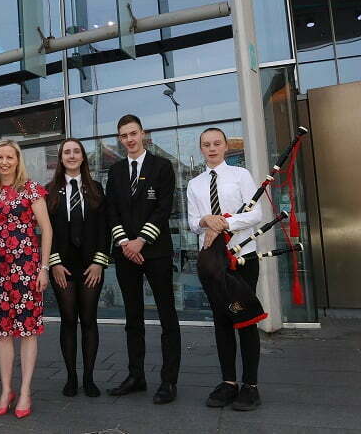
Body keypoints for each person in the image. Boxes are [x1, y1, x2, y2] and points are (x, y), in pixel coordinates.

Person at [186, 127, 264, 411]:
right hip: (213, 262)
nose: (211, 148)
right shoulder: (194, 184)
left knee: (245, 319)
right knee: (222, 320)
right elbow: (193, 222)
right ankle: (228, 382)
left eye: (216, 143)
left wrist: (224, 223)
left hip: (243, 257)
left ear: (226, 146)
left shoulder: (241, 176)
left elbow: (256, 214)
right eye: (206, 144)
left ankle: (250, 385)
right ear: (201, 148)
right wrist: (206, 219)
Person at [105, 114, 181, 405]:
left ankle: (168, 381)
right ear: (120, 139)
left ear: (143, 133)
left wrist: (141, 240)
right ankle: (136, 376)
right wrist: (125, 242)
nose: (129, 139)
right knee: (132, 317)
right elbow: (111, 210)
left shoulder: (162, 166)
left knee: (167, 316)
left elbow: (164, 208)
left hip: (156, 252)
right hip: (126, 254)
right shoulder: (115, 172)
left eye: (133, 133)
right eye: (123, 135)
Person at [0, 140, 52, 419]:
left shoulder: (32, 190)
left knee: (28, 331)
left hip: (28, 270)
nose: (4, 162)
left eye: (10, 157)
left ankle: (25, 391)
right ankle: (6, 389)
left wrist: (43, 268)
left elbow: (47, 230)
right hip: (0, 272)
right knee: (3, 332)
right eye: (0, 157)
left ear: (18, 160)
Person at [45, 138, 110, 398]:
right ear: (61, 158)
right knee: (69, 320)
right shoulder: (49, 190)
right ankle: (71, 378)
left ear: (83, 157)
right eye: (66, 152)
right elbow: (45, 230)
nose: (71, 156)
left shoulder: (95, 188)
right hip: (62, 265)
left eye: (76, 151)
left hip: (90, 265)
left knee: (90, 320)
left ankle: (89, 378)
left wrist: (99, 262)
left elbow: (106, 228)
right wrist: (54, 262)